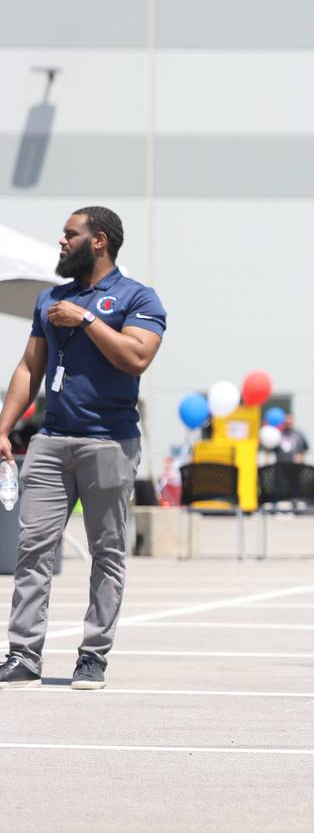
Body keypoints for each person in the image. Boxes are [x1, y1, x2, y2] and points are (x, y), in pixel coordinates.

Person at [0, 208, 167, 691]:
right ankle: (23, 654)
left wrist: (87, 318)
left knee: (106, 550)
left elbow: (136, 357)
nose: (60, 241)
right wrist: (5, 426)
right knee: (33, 547)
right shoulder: (50, 298)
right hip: (51, 440)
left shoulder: (138, 297)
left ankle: (92, 657)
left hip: (110, 441)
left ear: (99, 241)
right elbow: (30, 368)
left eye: (69, 235)